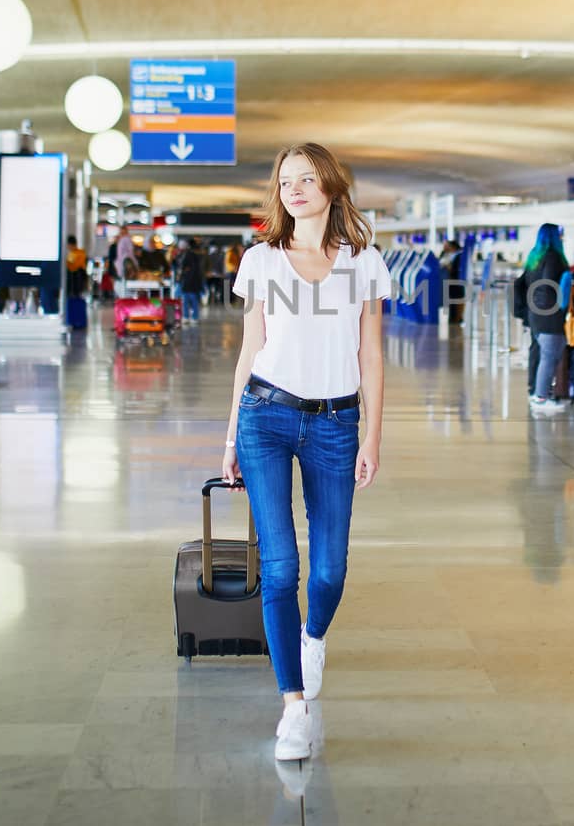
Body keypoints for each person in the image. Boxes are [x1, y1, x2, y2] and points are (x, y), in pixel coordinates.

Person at [221, 142, 389, 762]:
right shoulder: (261, 260)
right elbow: (249, 349)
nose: (293, 189)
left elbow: (371, 353)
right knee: (281, 567)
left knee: (329, 570)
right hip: (265, 414)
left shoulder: (364, 262)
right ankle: (293, 706)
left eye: (306, 179)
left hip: (336, 423)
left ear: (330, 186)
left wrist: (373, 433)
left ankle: (311, 637)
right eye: (285, 180)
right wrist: (231, 434)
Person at [513, 224, 572, 415]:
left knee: (545, 354)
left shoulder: (534, 257)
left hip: (536, 313)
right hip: (549, 314)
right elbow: (549, 286)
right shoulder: (553, 257)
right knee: (549, 357)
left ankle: (539, 393)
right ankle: (541, 397)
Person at [177, 237, 205, 324]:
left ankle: (186, 316)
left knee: (186, 300)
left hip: (187, 282)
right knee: (194, 300)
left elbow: (183, 267)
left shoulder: (187, 255)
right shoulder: (198, 255)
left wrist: (182, 275)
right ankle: (194, 317)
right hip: (195, 282)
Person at [438, 238, 465, 325]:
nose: (444, 247)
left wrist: (449, 268)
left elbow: (456, 270)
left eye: (446, 245)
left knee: (455, 300)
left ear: (451, 246)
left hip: (455, 283)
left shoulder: (459, 256)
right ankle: (453, 319)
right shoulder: (444, 254)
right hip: (445, 282)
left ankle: (457, 318)